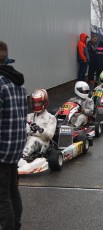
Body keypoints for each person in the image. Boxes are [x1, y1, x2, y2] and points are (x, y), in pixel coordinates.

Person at [0, 40, 27, 230]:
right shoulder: (17, 83)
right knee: (12, 190)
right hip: (15, 147)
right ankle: (15, 225)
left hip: (1, 148)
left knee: (2, 197)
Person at [19, 89, 57, 164]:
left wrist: (40, 130)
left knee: (32, 139)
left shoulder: (51, 118)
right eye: (35, 103)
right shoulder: (29, 116)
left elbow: (50, 135)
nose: (36, 105)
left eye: (39, 103)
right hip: (28, 138)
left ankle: (23, 157)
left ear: (44, 102)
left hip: (43, 143)